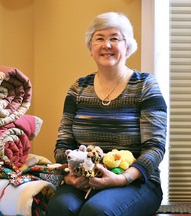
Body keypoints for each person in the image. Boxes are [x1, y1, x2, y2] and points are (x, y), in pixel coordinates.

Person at [46, 12, 167, 216]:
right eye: (99, 38)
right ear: (91, 48)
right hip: (84, 179)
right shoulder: (78, 89)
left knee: (97, 211)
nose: (106, 45)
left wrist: (122, 178)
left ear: (127, 46)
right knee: (59, 208)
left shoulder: (145, 85)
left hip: (135, 181)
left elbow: (155, 148)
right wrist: (71, 174)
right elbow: (63, 145)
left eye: (114, 38)